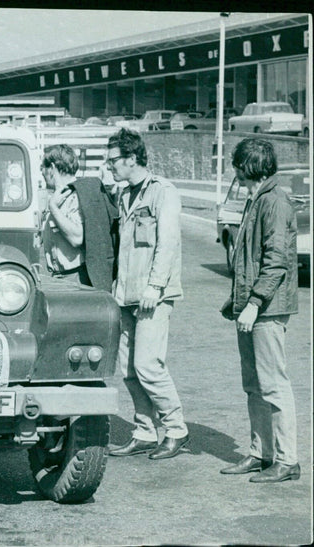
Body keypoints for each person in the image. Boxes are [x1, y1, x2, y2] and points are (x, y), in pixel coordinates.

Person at [105, 128, 189, 460]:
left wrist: (155, 286)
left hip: (153, 294)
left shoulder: (162, 192)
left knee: (148, 366)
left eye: (113, 160)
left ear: (132, 159)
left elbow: (167, 244)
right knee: (127, 368)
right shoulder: (124, 194)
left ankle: (177, 429)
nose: (109, 165)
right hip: (126, 294)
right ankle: (143, 430)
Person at [219, 138, 299, 483]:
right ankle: (261, 453)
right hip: (253, 308)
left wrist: (253, 303)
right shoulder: (258, 199)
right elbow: (249, 260)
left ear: (245, 167)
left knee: (273, 385)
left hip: (265, 310)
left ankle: (287, 460)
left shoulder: (274, 202)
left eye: (235, 164)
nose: (232, 171)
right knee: (254, 384)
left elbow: (275, 261)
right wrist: (237, 302)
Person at [41, 144, 117, 288]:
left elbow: (77, 238)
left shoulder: (76, 197)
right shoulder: (60, 197)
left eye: (42, 168)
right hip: (61, 276)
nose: (42, 173)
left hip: (75, 278)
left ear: (52, 168)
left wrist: (54, 209)